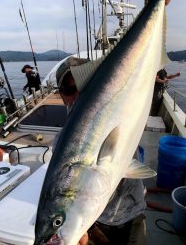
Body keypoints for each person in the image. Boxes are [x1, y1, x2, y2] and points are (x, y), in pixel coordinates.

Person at [53, 56, 148, 245]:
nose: (78, 95)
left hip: (131, 212)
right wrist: (81, 229)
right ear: (62, 95)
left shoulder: (120, 113)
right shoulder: (60, 143)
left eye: (84, 86)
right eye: (70, 89)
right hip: (94, 220)